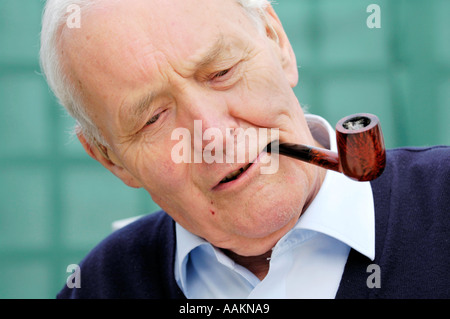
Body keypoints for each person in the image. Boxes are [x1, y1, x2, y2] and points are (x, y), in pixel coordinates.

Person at [40, 0, 449, 299]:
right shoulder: (101, 288)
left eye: (222, 72)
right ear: (111, 159)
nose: (213, 134)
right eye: (152, 119)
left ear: (277, 42)